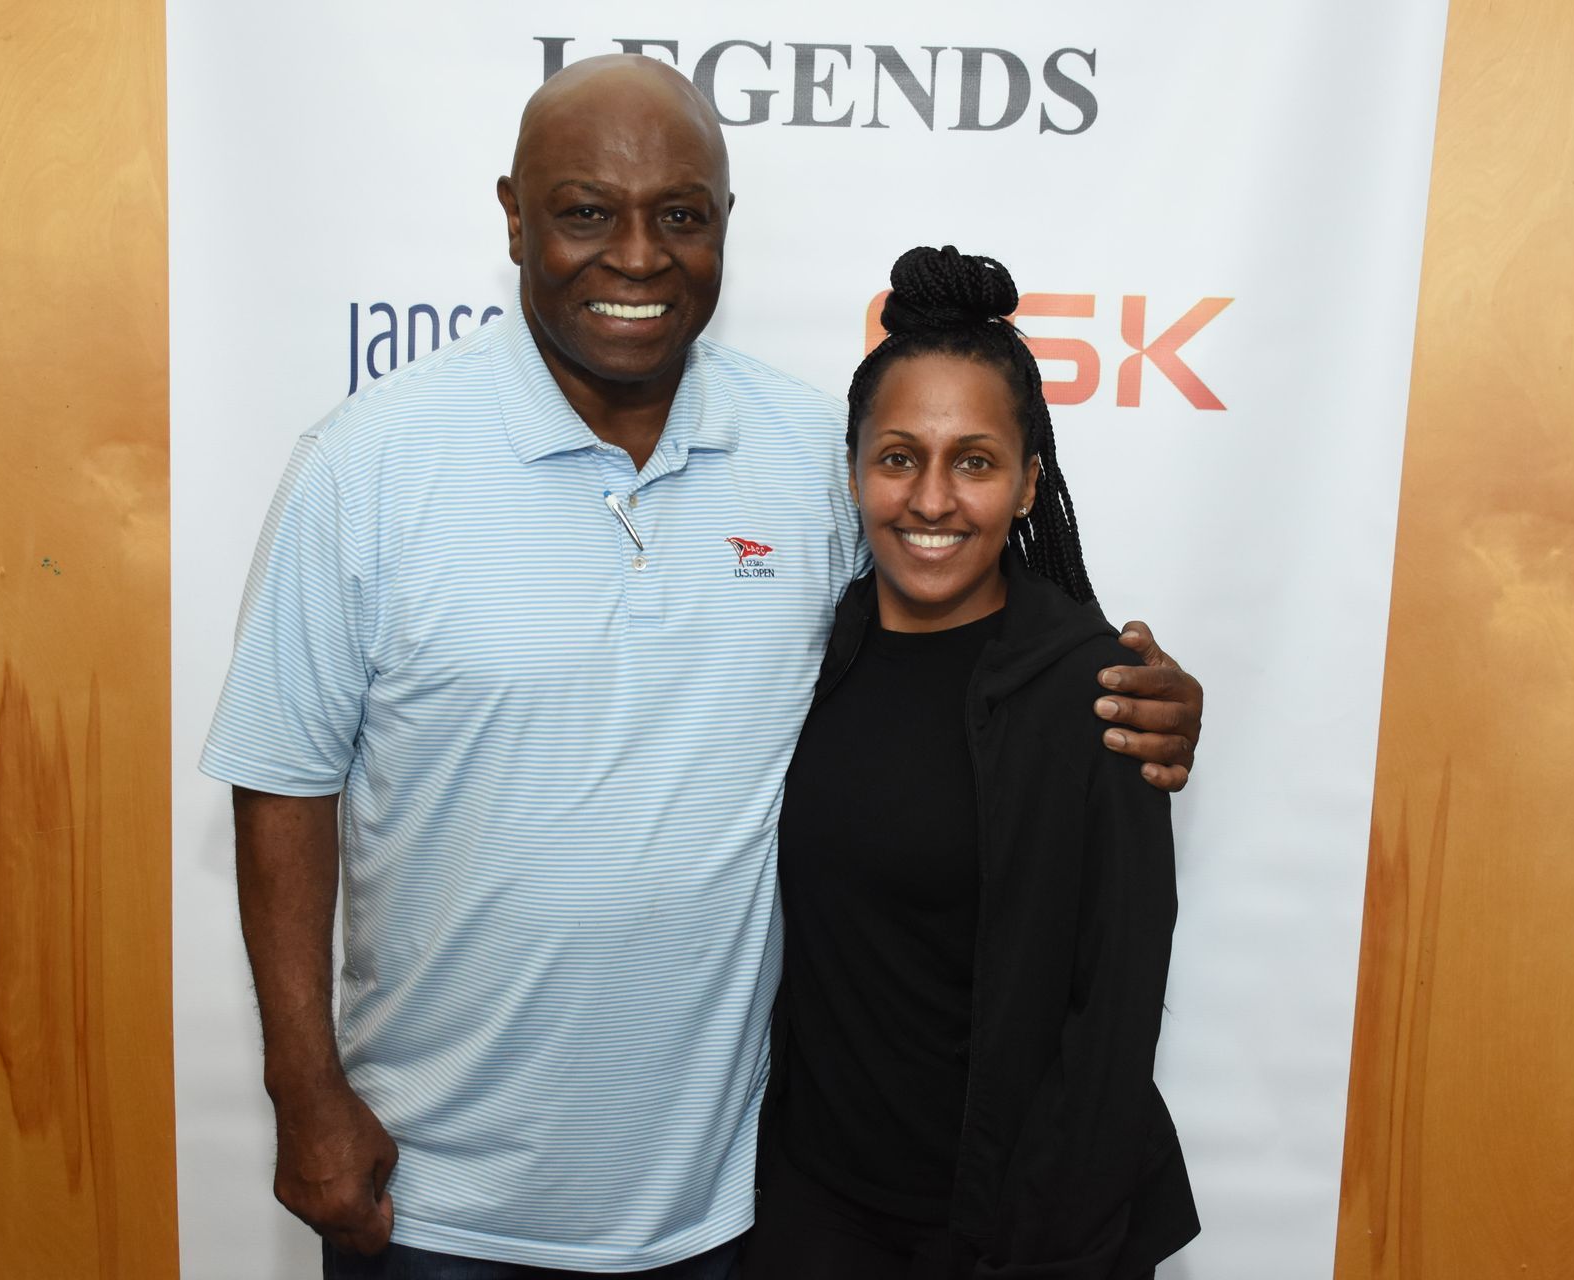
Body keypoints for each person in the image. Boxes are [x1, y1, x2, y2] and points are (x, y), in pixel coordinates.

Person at [200, 56, 1204, 1279]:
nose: (637, 257)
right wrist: (303, 1093)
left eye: (680, 215)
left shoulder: (807, 454)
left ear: (724, 226)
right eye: (584, 212)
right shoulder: (365, 468)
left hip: (730, 1208)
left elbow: (957, 632)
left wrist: (1125, 691)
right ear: (513, 214)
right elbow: (281, 781)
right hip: (434, 1200)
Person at [746, 246, 1197, 1279]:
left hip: (1014, 1227)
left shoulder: (1102, 692)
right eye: (899, 456)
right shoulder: (805, 651)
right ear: (855, 468)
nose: (933, 499)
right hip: (817, 1213)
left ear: (1030, 483)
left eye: (976, 461)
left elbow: (1114, 1017)